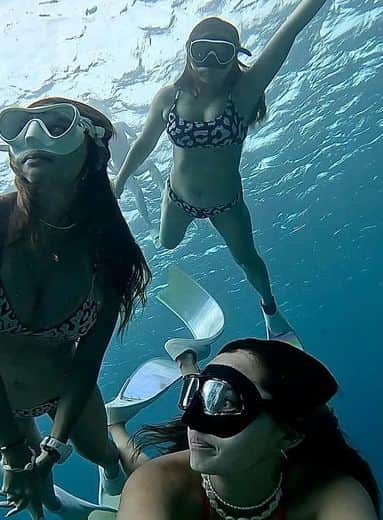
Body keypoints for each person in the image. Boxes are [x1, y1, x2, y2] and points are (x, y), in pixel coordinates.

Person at [0, 97, 151, 518]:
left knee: (101, 454)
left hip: (66, 391)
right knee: (29, 478)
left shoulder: (110, 251)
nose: (33, 136)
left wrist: (55, 444)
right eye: (19, 126)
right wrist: (13, 452)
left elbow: (87, 359)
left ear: (92, 149)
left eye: (57, 124)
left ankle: (113, 461)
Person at [106, 339, 383, 520]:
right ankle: (116, 427)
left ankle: (191, 365)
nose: (191, 419)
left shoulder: (330, 492)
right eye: (194, 393)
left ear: (288, 436)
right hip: (183, 481)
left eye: (228, 402)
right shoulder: (162, 480)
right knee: (141, 469)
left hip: (220, 465)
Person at [112, 2, 332, 344]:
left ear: (234, 57)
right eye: (202, 53)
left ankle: (271, 310)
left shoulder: (244, 93)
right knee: (166, 244)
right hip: (178, 198)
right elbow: (143, 143)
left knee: (248, 259)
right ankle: (158, 183)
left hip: (226, 204)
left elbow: (290, 28)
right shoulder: (168, 97)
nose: (210, 64)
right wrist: (121, 180)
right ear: (187, 54)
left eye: (221, 53)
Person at [108, 120, 163, 227]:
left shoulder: (120, 125)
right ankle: (150, 226)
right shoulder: (105, 134)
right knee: (137, 192)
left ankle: (162, 189)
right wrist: (113, 170)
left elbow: (136, 137)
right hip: (121, 169)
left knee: (150, 164)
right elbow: (106, 157)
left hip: (133, 163)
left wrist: (132, 144)